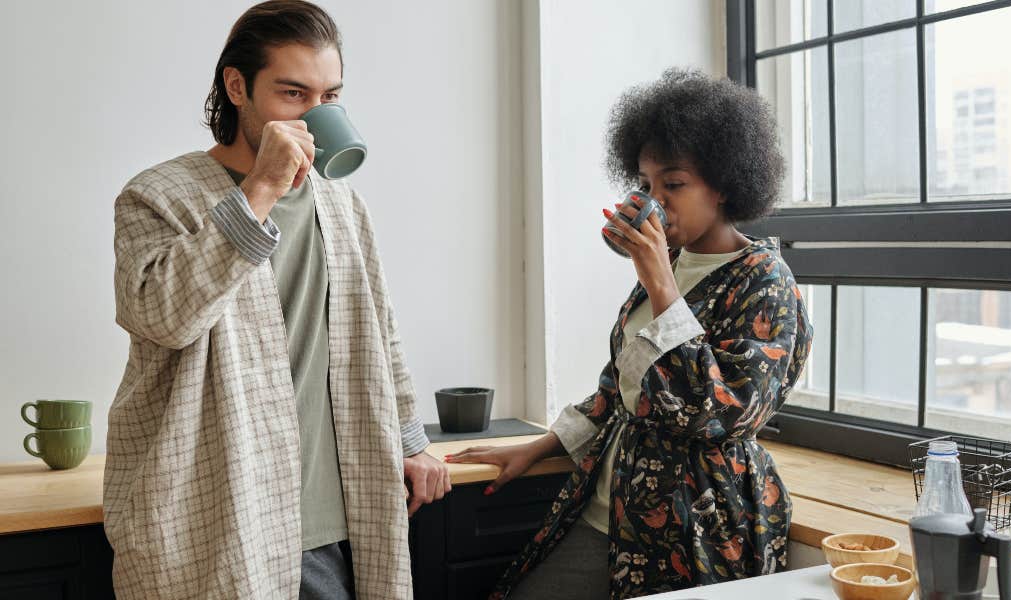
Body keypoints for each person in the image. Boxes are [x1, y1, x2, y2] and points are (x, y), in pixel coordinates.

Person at [104, 2, 447, 598]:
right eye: (293, 94)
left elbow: (378, 330)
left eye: (330, 97)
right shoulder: (157, 196)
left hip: (333, 519)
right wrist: (261, 189)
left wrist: (412, 442)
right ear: (237, 87)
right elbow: (164, 318)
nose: (315, 116)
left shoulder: (341, 204)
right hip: (216, 519)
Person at [447, 68, 814, 599]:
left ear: (726, 183)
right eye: (646, 185)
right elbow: (621, 387)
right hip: (614, 508)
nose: (656, 200)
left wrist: (661, 281)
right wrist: (541, 445)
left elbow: (730, 411)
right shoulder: (669, 263)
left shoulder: (763, 279)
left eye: (675, 184)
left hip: (699, 526)